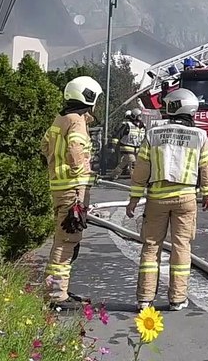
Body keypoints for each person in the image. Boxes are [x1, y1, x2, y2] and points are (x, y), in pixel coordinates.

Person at [126, 88, 208, 312]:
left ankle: (145, 299)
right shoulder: (199, 136)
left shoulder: (153, 134)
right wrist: (207, 193)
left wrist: (134, 199)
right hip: (185, 198)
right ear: (191, 109)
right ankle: (177, 299)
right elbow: (206, 166)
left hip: (157, 198)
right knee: (181, 247)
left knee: (151, 246)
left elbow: (141, 169)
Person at [41, 75, 102, 305]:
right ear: (88, 97)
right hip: (72, 189)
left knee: (62, 239)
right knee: (67, 240)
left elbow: (44, 145)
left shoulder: (60, 118)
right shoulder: (76, 121)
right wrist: (81, 172)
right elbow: (76, 149)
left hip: (59, 186)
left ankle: (57, 291)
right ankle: (56, 295)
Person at [112, 110, 147, 179]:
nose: (140, 117)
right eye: (139, 116)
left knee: (123, 163)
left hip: (137, 149)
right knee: (133, 163)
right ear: (134, 116)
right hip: (127, 148)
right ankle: (135, 179)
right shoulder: (127, 125)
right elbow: (118, 135)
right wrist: (115, 146)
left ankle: (114, 175)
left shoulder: (143, 126)